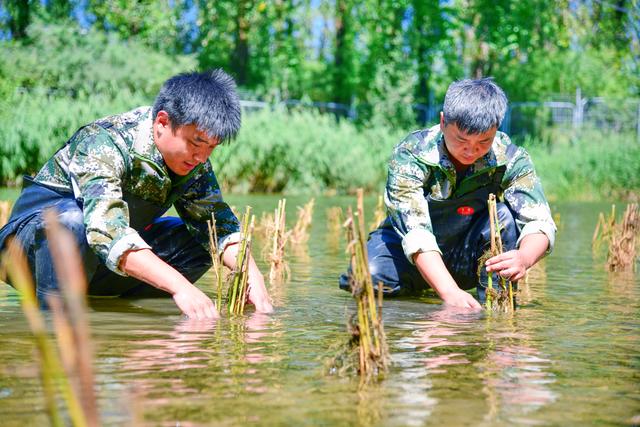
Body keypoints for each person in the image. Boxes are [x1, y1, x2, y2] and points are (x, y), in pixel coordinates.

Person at [0, 69, 273, 318]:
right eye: (196, 143)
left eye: (212, 147)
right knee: (68, 222)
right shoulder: (105, 141)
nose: (202, 157)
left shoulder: (194, 164)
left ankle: (129, 317)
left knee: (200, 240)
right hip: (28, 257)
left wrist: (251, 275)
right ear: (162, 122)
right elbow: (105, 230)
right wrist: (180, 286)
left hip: (98, 263)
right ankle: (55, 320)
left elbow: (218, 226)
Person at [340, 78, 556, 309]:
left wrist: (524, 258)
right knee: (365, 277)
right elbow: (416, 233)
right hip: (407, 255)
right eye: (461, 139)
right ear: (443, 122)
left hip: (467, 255)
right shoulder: (411, 154)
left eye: (483, 142)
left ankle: (494, 307)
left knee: (501, 217)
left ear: (496, 129)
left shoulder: (512, 158)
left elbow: (539, 223)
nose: (471, 150)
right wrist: (449, 292)